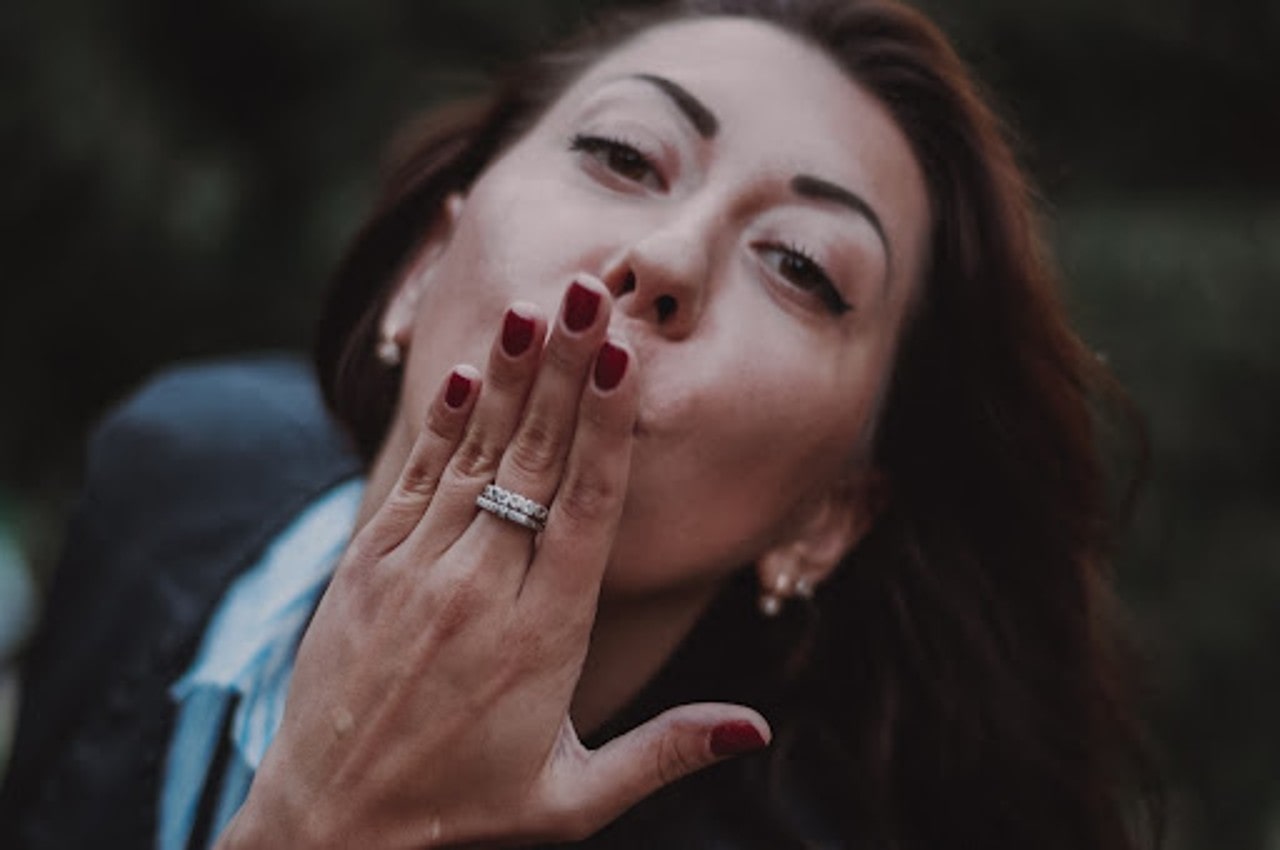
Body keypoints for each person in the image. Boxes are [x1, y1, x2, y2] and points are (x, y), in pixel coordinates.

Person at [0, 0, 1163, 847]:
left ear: (826, 519)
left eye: (801, 268)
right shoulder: (168, 471)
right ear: (423, 264)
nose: (664, 257)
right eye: (620, 155)